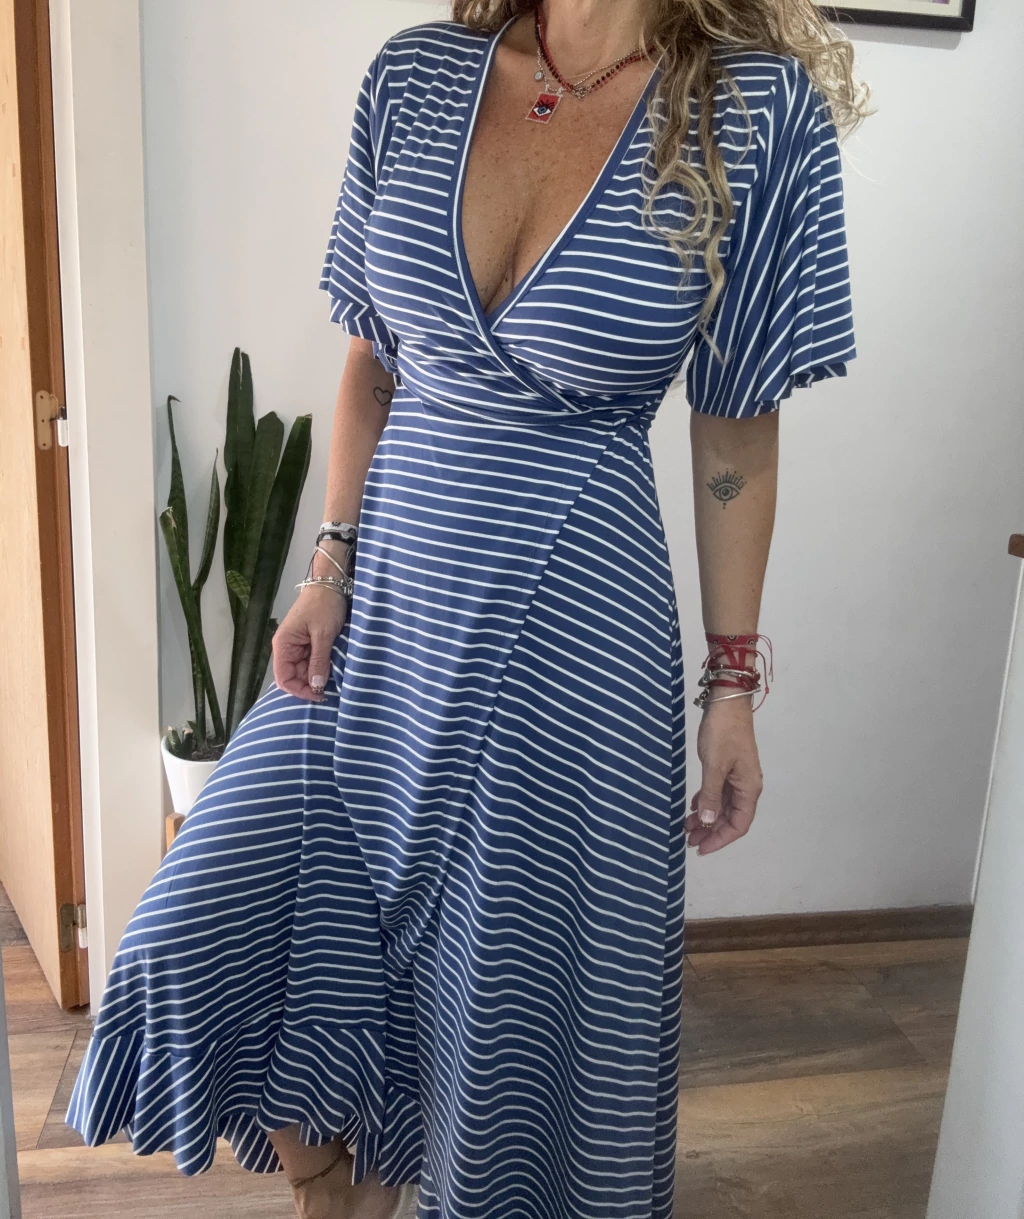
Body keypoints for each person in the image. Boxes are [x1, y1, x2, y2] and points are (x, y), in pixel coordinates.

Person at [67, 1, 866, 1216]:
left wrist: (733, 686)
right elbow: (370, 361)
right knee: (192, 930)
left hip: (572, 632)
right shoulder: (418, 78)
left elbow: (735, 433)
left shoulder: (753, 113)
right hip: (387, 608)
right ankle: (336, 1189)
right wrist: (326, 566)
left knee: (508, 1021)